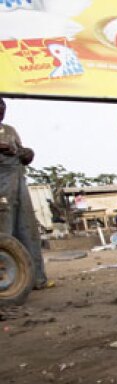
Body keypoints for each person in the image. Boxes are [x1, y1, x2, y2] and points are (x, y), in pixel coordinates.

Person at [0, 96, 51, 291]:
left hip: (18, 184)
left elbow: (21, 153)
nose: (1, 109)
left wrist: (26, 153)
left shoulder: (9, 130)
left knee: (27, 230)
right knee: (4, 233)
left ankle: (36, 279)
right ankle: (9, 286)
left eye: (3, 106)